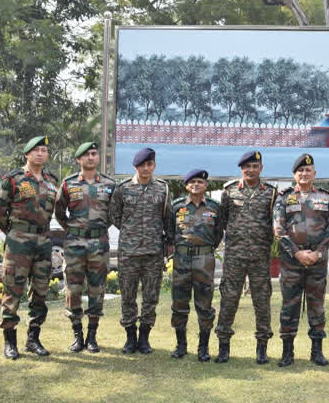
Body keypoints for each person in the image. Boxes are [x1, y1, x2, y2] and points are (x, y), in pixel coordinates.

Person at [0, 136, 59, 359]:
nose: (41, 153)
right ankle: (9, 342)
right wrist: (14, 233)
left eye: (44, 150)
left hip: (43, 241)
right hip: (19, 242)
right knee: (13, 290)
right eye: (36, 150)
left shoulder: (51, 181)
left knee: (40, 291)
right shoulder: (13, 179)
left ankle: (33, 339)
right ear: (27, 154)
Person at [273, 153, 329, 367]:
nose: (304, 173)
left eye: (308, 170)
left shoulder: (326, 198)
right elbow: (279, 229)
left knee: (317, 306)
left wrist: (318, 253)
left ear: (314, 174)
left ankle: (317, 352)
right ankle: (287, 352)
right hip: (292, 261)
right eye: (300, 171)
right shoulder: (284, 198)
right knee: (289, 306)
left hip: (317, 262)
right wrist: (297, 253)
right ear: (294, 175)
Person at [214, 151, 277, 364]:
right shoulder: (229, 192)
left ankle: (262, 348)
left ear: (261, 168)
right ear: (241, 169)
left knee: (262, 302)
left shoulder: (270, 193)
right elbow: (222, 221)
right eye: (246, 167)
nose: (250, 170)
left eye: (255, 166)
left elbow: (274, 223)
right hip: (235, 256)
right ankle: (224, 347)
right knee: (229, 300)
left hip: (260, 257)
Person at [108, 147, 172, 354]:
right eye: (142, 165)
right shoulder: (123, 188)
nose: (146, 169)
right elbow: (115, 216)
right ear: (135, 167)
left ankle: (144, 338)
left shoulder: (163, 189)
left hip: (153, 253)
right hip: (128, 252)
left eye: (150, 164)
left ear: (154, 165)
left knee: (151, 297)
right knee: (128, 296)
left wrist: (166, 241)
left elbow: (168, 218)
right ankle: (130, 338)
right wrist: (131, 233)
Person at [54, 141, 116, 354]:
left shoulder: (109, 184)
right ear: (79, 160)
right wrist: (75, 230)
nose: (91, 157)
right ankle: (77, 335)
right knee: (73, 289)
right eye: (86, 155)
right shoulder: (68, 183)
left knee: (97, 289)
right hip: (74, 245)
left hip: (99, 244)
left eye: (94, 154)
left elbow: (113, 214)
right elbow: (60, 212)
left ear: (98, 158)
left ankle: (92, 336)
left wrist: (96, 230)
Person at [169, 169, 223, 361]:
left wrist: (204, 249)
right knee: (179, 303)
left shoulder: (215, 207)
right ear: (186, 186)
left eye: (200, 182)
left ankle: (203, 348)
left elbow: (218, 234)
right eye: (192, 182)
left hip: (204, 260)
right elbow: (169, 231)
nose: (196, 185)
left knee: (205, 305)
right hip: (181, 260)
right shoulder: (176, 206)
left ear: (206, 186)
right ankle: (181, 345)